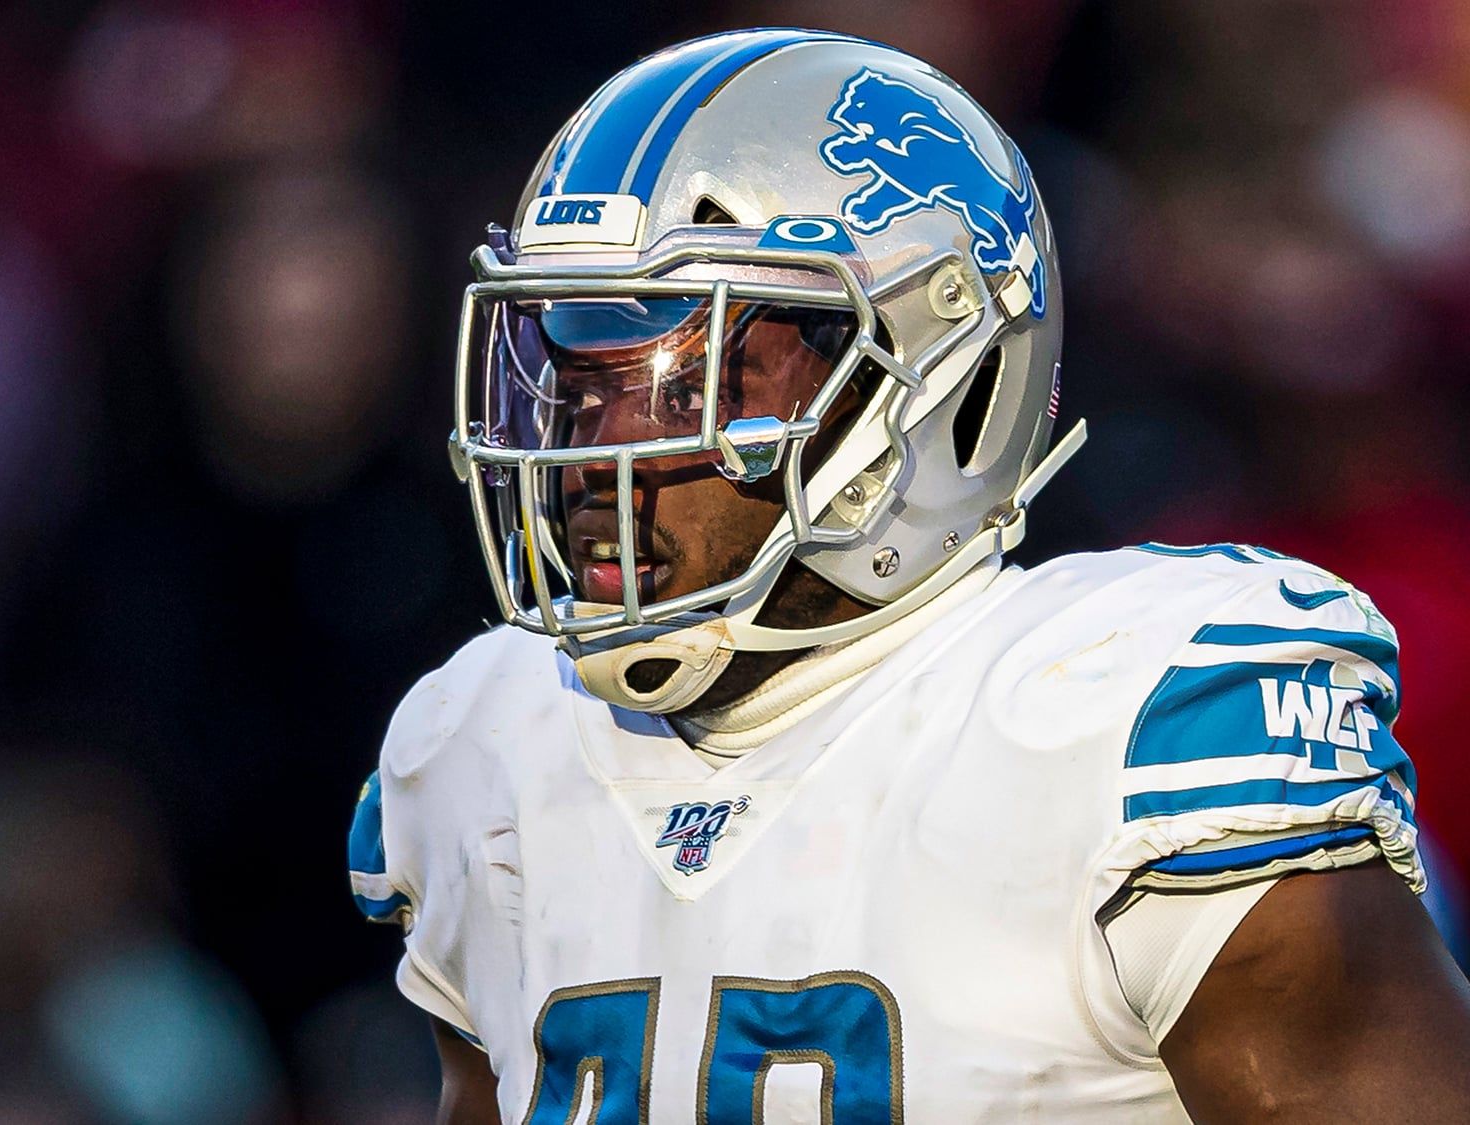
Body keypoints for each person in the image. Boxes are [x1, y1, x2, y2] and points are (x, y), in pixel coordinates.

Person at [346, 29, 1470, 1123]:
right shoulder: (483, 745)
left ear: (928, 384)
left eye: (688, 371)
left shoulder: (1116, 720)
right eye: (575, 367)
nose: (594, 445)